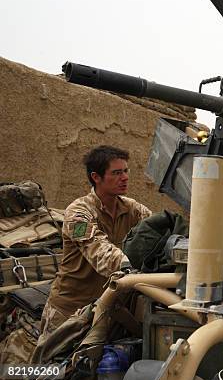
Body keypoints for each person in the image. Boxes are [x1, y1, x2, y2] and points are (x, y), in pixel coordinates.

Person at [38, 145, 151, 345]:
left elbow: (157, 227)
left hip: (105, 308)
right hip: (68, 310)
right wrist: (128, 267)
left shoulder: (132, 209)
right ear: (96, 177)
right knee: (51, 372)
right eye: (116, 173)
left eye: (126, 171)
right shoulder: (78, 212)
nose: (124, 177)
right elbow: (96, 247)